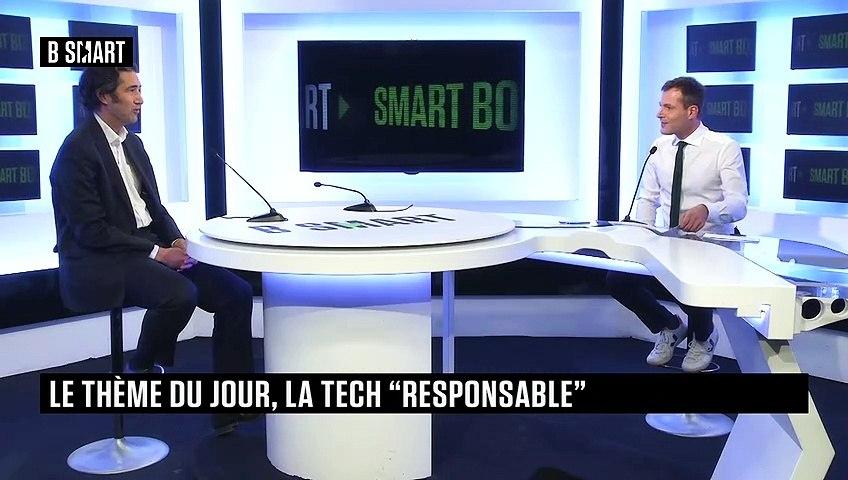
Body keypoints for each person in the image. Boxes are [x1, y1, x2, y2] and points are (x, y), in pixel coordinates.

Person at [50, 66, 256, 433]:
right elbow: (91, 231)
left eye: (140, 89)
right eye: (131, 90)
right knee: (180, 294)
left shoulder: (133, 143)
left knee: (236, 293)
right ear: (104, 97)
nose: (140, 99)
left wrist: (176, 240)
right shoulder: (76, 152)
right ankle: (141, 367)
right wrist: (158, 254)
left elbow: (155, 208)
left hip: (146, 244)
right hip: (100, 256)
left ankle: (233, 404)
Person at [607, 76, 748, 373]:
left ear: (692, 111)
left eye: (668, 108)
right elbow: (647, 199)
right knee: (618, 279)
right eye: (661, 106)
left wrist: (707, 210)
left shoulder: (723, 147)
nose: (660, 113)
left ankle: (703, 337)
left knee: (692, 282)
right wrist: (637, 240)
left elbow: (738, 205)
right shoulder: (659, 147)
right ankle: (669, 327)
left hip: (710, 244)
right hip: (668, 240)